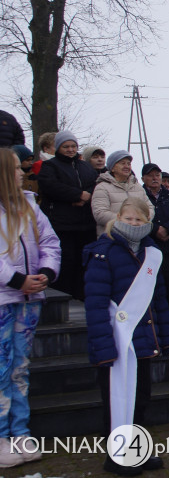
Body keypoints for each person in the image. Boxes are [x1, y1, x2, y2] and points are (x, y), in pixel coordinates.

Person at [83, 197, 169, 475]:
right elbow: (96, 304)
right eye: (129, 218)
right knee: (115, 399)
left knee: (141, 398)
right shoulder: (103, 252)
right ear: (118, 218)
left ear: (147, 222)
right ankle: (116, 456)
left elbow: (159, 298)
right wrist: (103, 346)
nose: (133, 224)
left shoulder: (152, 253)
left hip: (143, 338)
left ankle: (137, 450)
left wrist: (166, 336)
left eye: (139, 219)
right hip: (115, 341)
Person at [0, 148, 58, 469]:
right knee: (0, 369)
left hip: (29, 299)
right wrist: (16, 279)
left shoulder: (29, 204)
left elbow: (50, 242)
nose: (22, 171)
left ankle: (20, 431)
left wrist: (46, 273)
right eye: (15, 168)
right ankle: (1, 436)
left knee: (20, 368)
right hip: (4, 299)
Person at [35, 131, 98, 301]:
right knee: (66, 265)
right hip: (63, 226)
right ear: (59, 148)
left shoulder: (85, 167)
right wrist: (76, 195)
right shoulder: (51, 166)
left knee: (84, 265)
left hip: (86, 226)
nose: (70, 150)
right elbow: (50, 186)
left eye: (73, 146)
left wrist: (87, 196)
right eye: (66, 146)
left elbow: (96, 184)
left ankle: (82, 298)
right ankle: (63, 299)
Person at [141, 163, 169, 339]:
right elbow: (138, 216)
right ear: (143, 178)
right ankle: (152, 325)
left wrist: (167, 229)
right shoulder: (140, 196)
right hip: (148, 249)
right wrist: (155, 229)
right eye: (151, 175)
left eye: (157, 175)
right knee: (149, 289)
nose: (155, 178)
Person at [92, 150, 153, 236]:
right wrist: (125, 221)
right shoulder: (102, 187)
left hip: (137, 237)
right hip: (112, 237)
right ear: (112, 168)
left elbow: (149, 207)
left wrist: (144, 218)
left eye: (129, 164)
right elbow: (100, 214)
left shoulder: (137, 186)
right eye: (122, 163)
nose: (126, 166)